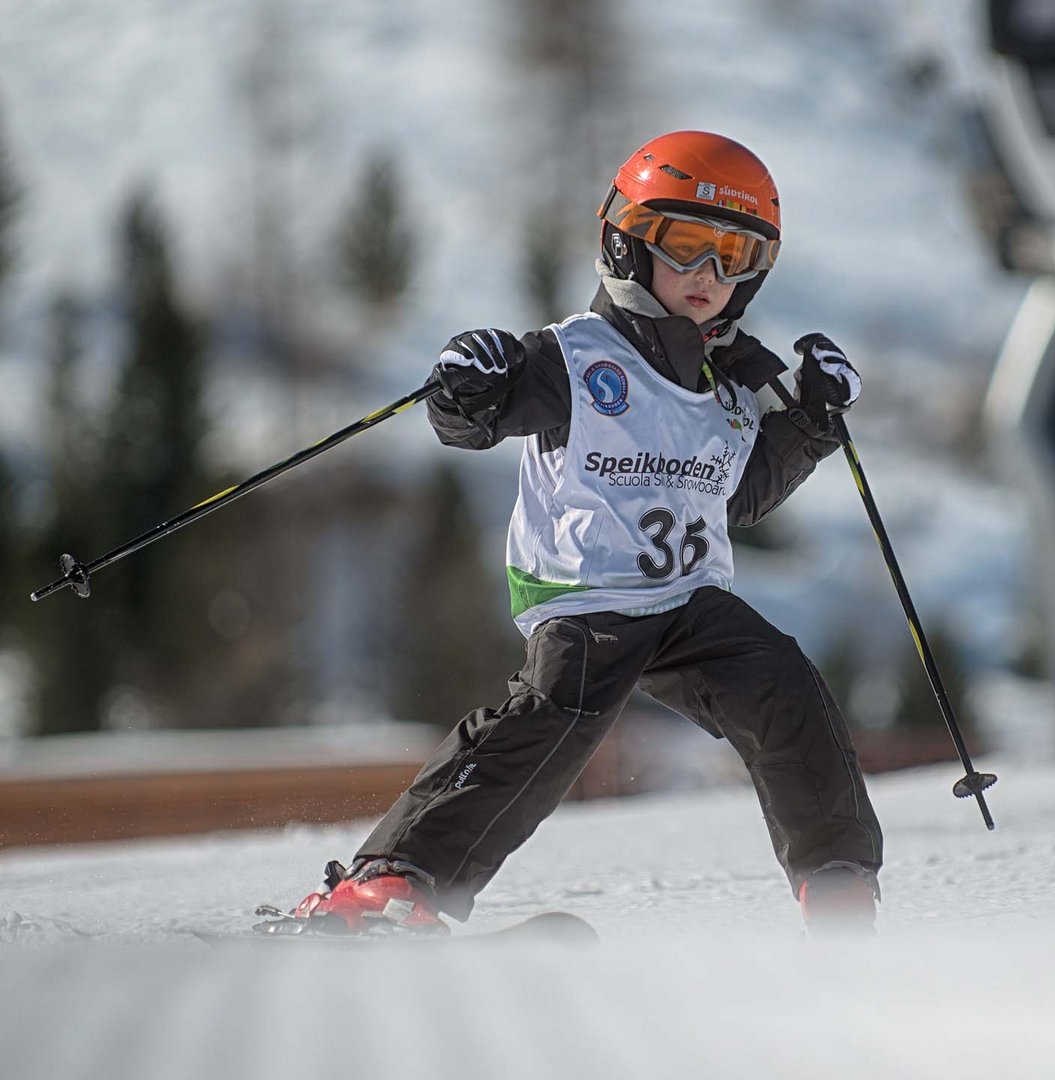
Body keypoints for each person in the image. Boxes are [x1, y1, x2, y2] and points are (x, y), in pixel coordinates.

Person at [278, 131, 884, 934]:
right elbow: (472, 420)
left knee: (783, 685)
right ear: (628, 243)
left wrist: (808, 419)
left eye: (734, 256)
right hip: (588, 597)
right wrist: (468, 383)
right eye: (688, 246)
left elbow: (734, 500)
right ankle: (388, 883)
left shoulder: (733, 385)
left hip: (688, 601)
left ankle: (838, 887)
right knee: (555, 717)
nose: (709, 277)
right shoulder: (577, 358)